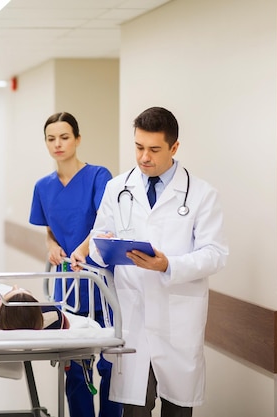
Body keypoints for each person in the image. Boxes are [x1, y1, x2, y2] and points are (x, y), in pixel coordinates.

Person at [71, 106, 228, 417]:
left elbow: (215, 254)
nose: (144, 157)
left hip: (178, 323)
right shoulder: (117, 188)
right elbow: (100, 237)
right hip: (135, 322)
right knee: (134, 411)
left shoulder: (201, 194)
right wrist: (96, 251)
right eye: (139, 147)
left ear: (174, 147)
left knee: (178, 410)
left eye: (154, 149)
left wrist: (168, 265)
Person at [29, 112, 121, 417]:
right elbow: (51, 232)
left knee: (110, 365)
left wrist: (81, 251)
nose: (58, 144)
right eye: (51, 138)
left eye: (64, 137)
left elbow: (103, 225)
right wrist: (52, 247)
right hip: (67, 283)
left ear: (77, 139)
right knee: (75, 369)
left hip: (98, 279)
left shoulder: (99, 177)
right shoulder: (43, 187)